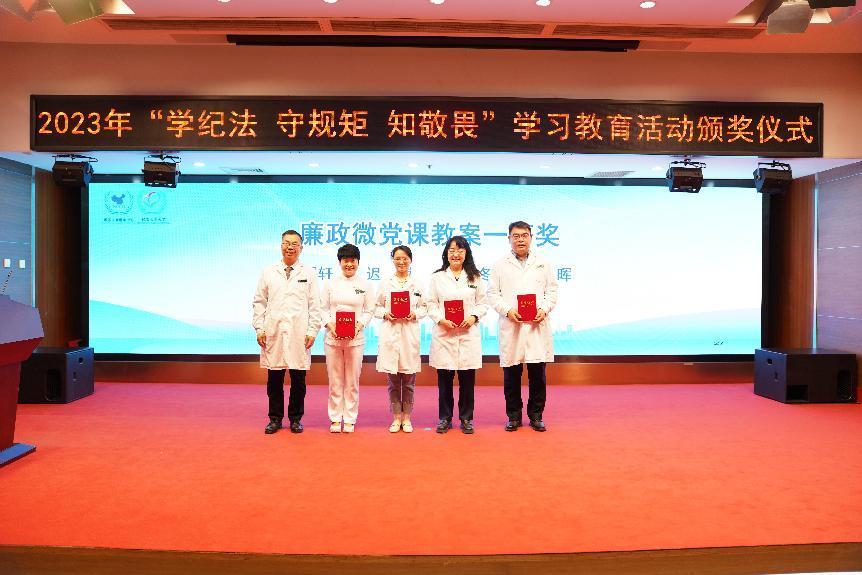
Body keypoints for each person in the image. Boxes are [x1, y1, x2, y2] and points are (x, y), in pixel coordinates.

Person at [487, 221, 559, 432]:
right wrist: (507, 310)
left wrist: (544, 309)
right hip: (512, 326)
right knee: (512, 376)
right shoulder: (500, 265)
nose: (520, 239)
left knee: (538, 376)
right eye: (516, 236)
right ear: (509, 239)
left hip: (536, 326)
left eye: (524, 235)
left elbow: (552, 291)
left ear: (531, 237)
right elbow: (492, 294)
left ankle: (536, 415)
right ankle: (514, 416)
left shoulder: (543, 263)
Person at [252, 229, 321, 435]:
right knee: (274, 379)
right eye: (286, 243)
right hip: (273, 332)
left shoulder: (308, 273)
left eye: (294, 244)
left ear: (301, 248)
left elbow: (315, 305)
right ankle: (274, 419)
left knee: (299, 380)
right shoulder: (268, 271)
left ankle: (295, 419)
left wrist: (312, 331)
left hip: (299, 334)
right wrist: (260, 327)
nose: (290, 247)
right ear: (281, 245)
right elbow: (259, 301)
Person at [426, 236, 488, 434]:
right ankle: (445, 418)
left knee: (467, 381)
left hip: (467, 334)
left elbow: (483, 303)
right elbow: (430, 304)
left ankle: (466, 418)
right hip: (445, 334)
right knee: (444, 381)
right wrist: (440, 319)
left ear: (466, 253)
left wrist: (473, 317)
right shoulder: (437, 277)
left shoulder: (475, 277)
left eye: (460, 250)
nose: (456, 254)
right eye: (452, 250)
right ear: (446, 253)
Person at [321, 243, 375, 433]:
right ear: (339, 262)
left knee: (352, 381)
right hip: (333, 338)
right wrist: (331, 325)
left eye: (353, 260)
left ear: (358, 262)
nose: (349, 264)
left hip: (355, 340)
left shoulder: (365, 285)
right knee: (335, 380)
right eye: (345, 260)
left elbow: (369, 310)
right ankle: (335, 418)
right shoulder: (330, 283)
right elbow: (322, 309)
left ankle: (350, 418)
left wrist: (359, 326)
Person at [374, 245, 426, 433]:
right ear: (393, 260)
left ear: (410, 260)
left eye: (405, 258)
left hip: (409, 334)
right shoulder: (385, 283)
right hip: (391, 334)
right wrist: (385, 313)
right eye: (397, 258)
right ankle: (396, 417)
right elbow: (375, 307)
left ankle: (407, 417)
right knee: (393, 381)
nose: (401, 262)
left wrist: (415, 314)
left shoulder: (417, 284)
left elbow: (425, 307)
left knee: (409, 381)